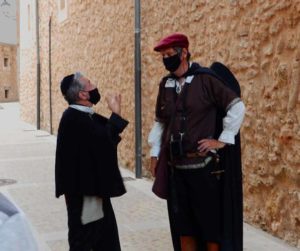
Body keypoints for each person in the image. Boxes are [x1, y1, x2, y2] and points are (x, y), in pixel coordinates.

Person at [148, 33, 246, 251]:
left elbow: (236, 107)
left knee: (210, 229)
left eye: (169, 54)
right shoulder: (166, 85)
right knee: (184, 228)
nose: (166, 59)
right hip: (177, 170)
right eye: (163, 56)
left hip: (203, 170)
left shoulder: (205, 79)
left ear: (184, 53)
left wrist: (221, 140)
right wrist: (155, 153)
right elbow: (161, 122)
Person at [55, 72, 128, 251]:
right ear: (82, 94)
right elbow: (103, 145)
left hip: (95, 193)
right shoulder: (73, 119)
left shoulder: (83, 116)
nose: (94, 85)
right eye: (89, 83)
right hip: (85, 198)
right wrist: (116, 113)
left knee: (105, 240)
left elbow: (103, 140)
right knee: (87, 242)